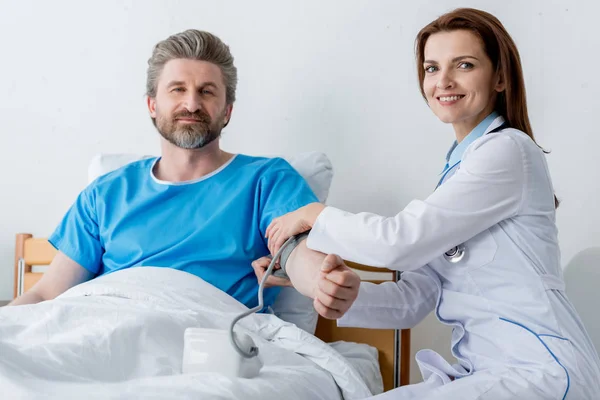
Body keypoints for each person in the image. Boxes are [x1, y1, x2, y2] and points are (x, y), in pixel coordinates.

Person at [261, 8, 600, 399]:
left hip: (540, 372)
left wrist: (315, 215)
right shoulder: (459, 172)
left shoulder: (509, 150)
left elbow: (399, 242)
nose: (444, 81)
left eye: (464, 65)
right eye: (431, 68)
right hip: (492, 374)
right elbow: (416, 297)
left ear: (501, 77)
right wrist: (343, 294)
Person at [9, 29, 360, 321]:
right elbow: (45, 293)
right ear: (152, 104)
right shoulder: (105, 194)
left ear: (227, 111)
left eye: (207, 92)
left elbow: (295, 253)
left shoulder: (267, 180)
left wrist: (322, 281)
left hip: (205, 337)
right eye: (177, 89)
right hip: (104, 329)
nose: (191, 104)